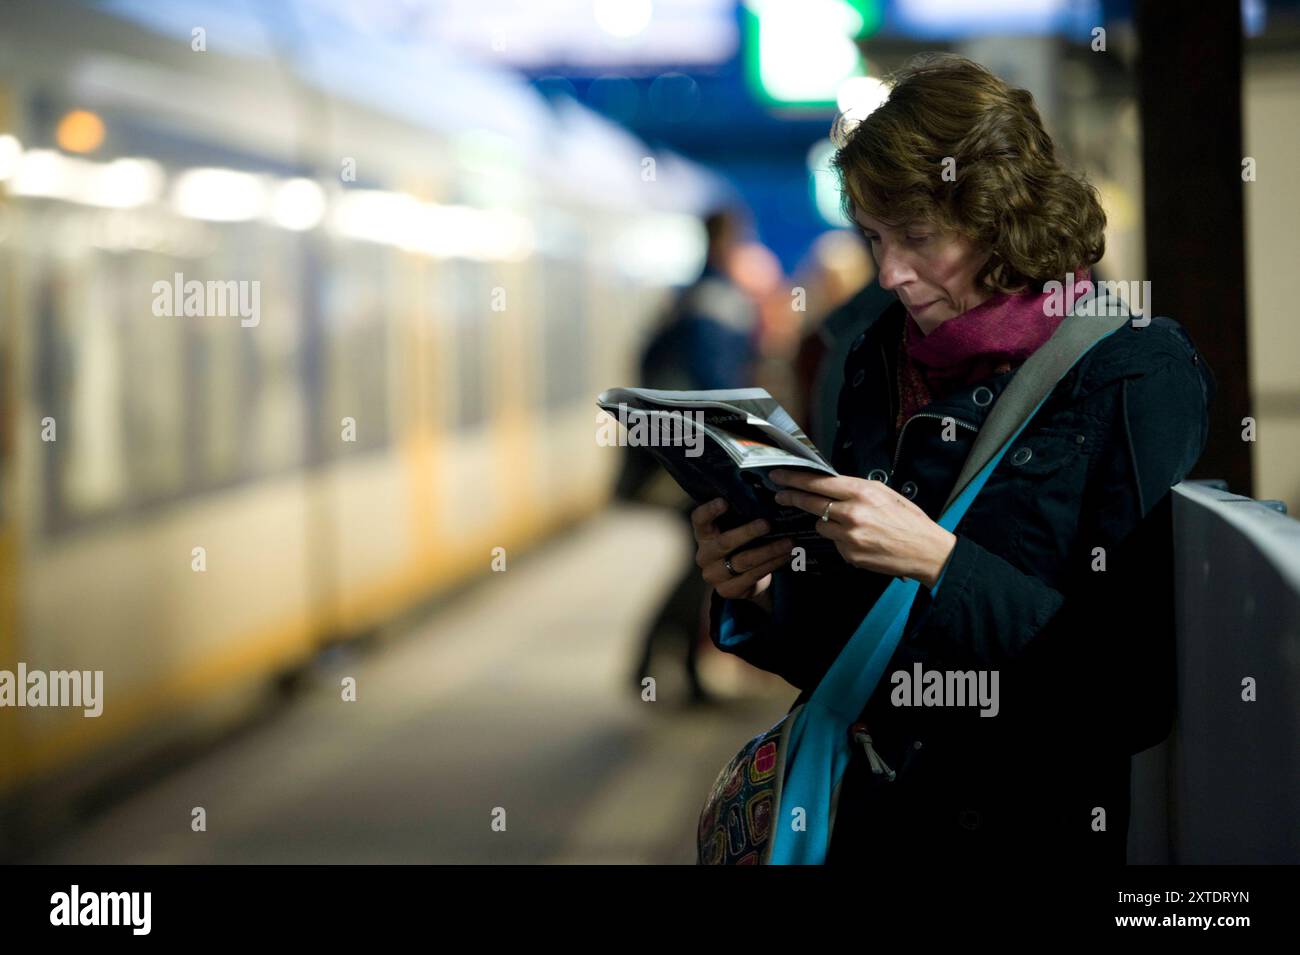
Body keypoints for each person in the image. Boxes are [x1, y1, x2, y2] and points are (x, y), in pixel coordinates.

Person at [690, 53, 1216, 864]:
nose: (891, 273)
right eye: (873, 238)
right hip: (875, 822)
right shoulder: (879, 356)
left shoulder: (1133, 372)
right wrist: (762, 589)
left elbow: (1129, 692)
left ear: (1001, 215)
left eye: (918, 237)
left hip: (1027, 831)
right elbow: (857, 649)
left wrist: (940, 561)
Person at [622, 207, 759, 704]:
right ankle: (649, 664)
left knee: (698, 561)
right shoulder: (717, 296)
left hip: (680, 447)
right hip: (701, 451)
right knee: (701, 562)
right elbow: (716, 381)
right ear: (726, 237)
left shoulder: (689, 294)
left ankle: (670, 669)